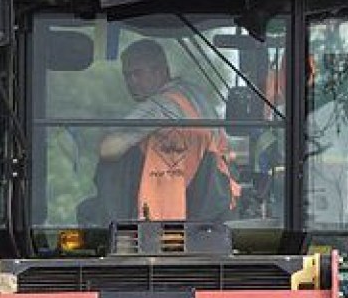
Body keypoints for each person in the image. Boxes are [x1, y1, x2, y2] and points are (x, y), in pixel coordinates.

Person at [89, 39, 238, 222]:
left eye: (137, 74)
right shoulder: (195, 95)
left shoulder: (161, 105)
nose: (131, 82)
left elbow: (108, 150)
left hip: (171, 206)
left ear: (160, 71)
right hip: (217, 199)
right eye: (127, 76)